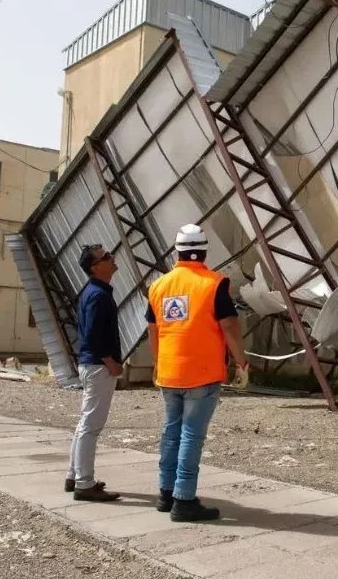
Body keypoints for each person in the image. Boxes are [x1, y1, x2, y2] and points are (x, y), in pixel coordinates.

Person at [146, 224, 249, 522]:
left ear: (177, 251)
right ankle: (184, 499)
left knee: (171, 431)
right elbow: (229, 326)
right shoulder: (214, 284)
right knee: (191, 434)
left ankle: (165, 494)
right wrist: (241, 362)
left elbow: (153, 331)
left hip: (169, 372)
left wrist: (159, 362)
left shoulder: (158, 286)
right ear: (203, 251)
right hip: (202, 373)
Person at [65, 245, 122, 502]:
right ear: (95, 267)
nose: (112, 258)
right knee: (90, 426)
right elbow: (94, 336)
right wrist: (111, 363)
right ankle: (84, 484)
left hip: (91, 365)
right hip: (98, 367)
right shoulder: (98, 295)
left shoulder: (93, 292)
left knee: (84, 424)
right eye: (106, 257)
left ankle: (74, 475)